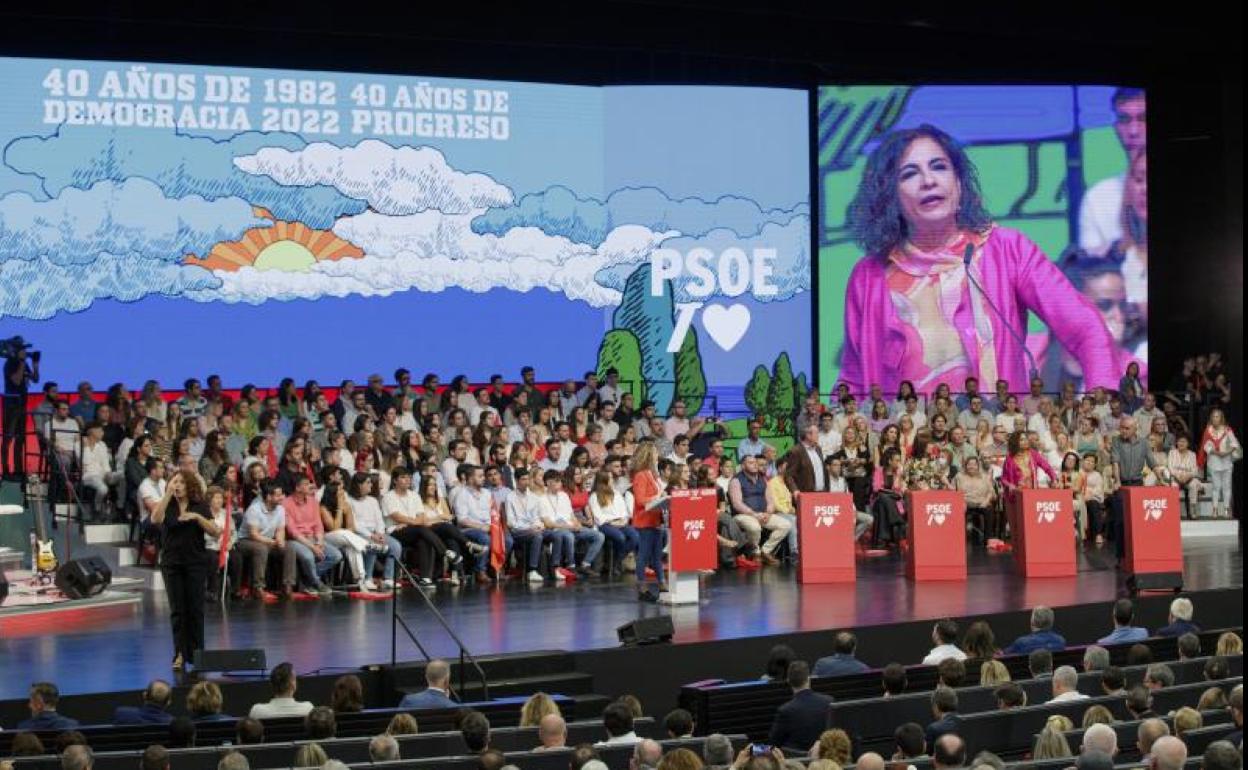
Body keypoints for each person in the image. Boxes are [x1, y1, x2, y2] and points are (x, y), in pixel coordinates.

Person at [840, 125, 1117, 395]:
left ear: (959, 184)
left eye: (939, 167)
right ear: (892, 197)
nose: (928, 180)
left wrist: (1100, 412)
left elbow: (1086, 330)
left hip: (994, 437)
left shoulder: (1007, 250)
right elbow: (854, 382)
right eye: (910, 173)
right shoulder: (869, 276)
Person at [150, 468, 219, 670]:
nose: (177, 485)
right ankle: (179, 653)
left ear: (189, 485)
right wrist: (167, 494)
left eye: (181, 482)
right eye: (174, 481)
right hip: (172, 563)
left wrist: (197, 518)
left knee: (195, 610)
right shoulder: (167, 503)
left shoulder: (200, 505)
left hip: (195, 562)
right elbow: (155, 519)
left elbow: (215, 531)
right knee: (177, 611)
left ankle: (198, 654)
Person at [238, 479, 298, 601]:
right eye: (278, 495)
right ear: (268, 497)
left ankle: (287, 586)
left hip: (268, 540)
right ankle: (258, 588)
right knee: (261, 549)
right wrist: (272, 542)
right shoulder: (254, 509)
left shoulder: (280, 509)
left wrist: (280, 540)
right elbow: (253, 534)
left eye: (282, 494)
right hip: (246, 541)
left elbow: (280, 530)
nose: (282, 497)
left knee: (289, 548)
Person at [728, 454, 791, 565]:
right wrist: (754, 514)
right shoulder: (736, 481)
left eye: (755, 462)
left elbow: (770, 501)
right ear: (743, 466)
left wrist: (768, 512)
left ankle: (765, 551)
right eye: (750, 463)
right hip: (743, 515)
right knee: (755, 527)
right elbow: (737, 504)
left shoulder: (762, 479)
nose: (755, 465)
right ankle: (755, 553)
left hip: (763, 514)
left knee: (786, 524)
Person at [630, 443, 669, 602]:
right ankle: (642, 588)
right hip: (644, 521)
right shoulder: (641, 475)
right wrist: (658, 498)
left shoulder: (652, 475)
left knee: (657, 555)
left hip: (655, 520)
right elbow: (640, 500)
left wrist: (662, 497)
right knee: (644, 556)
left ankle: (662, 583)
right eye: (654, 453)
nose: (657, 456)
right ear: (648, 455)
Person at [1110, 416, 1152, 558]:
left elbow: (1153, 463)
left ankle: (1139, 553)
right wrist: (1117, 481)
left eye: (1127, 428)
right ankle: (1120, 556)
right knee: (1120, 522)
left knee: (1138, 522)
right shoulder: (1116, 441)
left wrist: (1161, 477)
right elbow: (1115, 462)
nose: (1123, 431)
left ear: (1135, 429)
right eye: (1121, 427)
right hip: (1122, 485)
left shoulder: (1144, 443)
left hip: (1138, 486)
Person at [768, 661, 834, 752]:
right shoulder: (829, 702)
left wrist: (753, 750)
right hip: (825, 758)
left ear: (788, 681)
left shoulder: (785, 711)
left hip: (796, 762)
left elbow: (773, 745)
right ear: (808, 678)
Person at [2, 336, 39, 478]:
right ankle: (5, 471)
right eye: (22, 348)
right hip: (11, 404)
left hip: (22, 404)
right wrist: (23, 362)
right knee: (8, 438)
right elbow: (17, 381)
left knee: (20, 439)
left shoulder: (23, 363)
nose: (24, 351)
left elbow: (35, 379)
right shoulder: (10, 363)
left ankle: (18, 471)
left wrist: (35, 364)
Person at [1200, 408, 1239, 519]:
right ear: (1211, 418)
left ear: (1221, 418)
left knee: (1226, 487)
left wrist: (1226, 452)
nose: (1215, 418)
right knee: (1216, 487)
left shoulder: (1227, 429)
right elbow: (1205, 447)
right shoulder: (1208, 430)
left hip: (1226, 463)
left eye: (1217, 416)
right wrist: (1216, 452)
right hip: (1213, 462)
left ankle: (1226, 509)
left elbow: (1234, 444)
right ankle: (1215, 509)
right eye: (1213, 416)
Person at [249, 662, 314, 719]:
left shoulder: (257, 711)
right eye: (295, 679)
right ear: (293, 684)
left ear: (272, 685)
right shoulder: (308, 709)